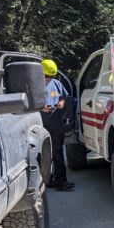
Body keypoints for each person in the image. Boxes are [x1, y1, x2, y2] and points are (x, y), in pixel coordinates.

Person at [40, 59, 75, 191]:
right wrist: (41, 108)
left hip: (55, 119)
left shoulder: (56, 83)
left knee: (57, 151)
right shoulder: (32, 85)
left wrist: (61, 103)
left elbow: (63, 97)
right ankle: (44, 181)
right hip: (39, 120)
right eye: (46, 76)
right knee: (41, 152)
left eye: (51, 76)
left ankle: (61, 181)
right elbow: (26, 104)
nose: (48, 79)